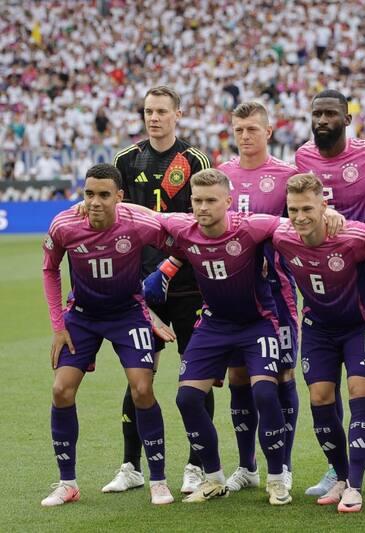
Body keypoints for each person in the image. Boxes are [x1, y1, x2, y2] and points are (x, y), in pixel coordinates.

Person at [130, 169, 327, 505]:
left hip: (257, 323)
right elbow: (144, 215)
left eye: (211, 200)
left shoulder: (251, 226)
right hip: (214, 324)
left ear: (228, 202)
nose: (203, 207)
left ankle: (277, 478)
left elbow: (296, 223)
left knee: (265, 392)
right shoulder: (183, 226)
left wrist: (330, 215)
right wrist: (93, 207)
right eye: (197, 200)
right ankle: (214, 477)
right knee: (187, 399)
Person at [40, 164, 173, 507]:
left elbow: (179, 242)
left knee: (142, 388)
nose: (95, 202)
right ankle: (67, 483)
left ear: (119, 197)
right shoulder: (64, 225)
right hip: (82, 317)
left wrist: (157, 291)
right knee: (61, 390)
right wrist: (58, 327)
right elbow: (50, 269)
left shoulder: (138, 222)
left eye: (103, 195)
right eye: (89, 194)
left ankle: (158, 480)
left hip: (128, 314)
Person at [295, 90, 365, 498]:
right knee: (325, 385)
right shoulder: (303, 157)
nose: (322, 120)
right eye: (317, 113)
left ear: (347, 118)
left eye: (330, 113)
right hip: (323, 287)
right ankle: (337, 469)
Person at [109, 85, 213, 495]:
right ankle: (130, 465)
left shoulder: (194, 161)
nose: (154, 118)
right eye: (148, 111)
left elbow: (200, 223)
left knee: (195, 376)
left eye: (161, 111)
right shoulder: (125, 160)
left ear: (177, 114)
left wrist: (171, 266)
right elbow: (115, 221)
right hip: (141, 291)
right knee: (139, 376)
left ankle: (197, 465)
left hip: (187, 286)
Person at [272, 172, 365, 513]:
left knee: (360, 390)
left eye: (307, 209)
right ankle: (340, 477)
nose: (299, 217)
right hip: (318, 328)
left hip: (361, 325)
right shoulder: (282, 235)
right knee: (320, 397)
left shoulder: (352, 236)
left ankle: (356, 484)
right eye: (293, 209)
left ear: (323, 205)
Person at [216, 101, 300, 493]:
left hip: (276, 293)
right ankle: (247, 465)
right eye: (239, 129)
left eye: (252, 129)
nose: (245, 136)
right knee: (238, 375)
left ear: (268, 131)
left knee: (281, 375)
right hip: (232, 296)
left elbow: (302, 225)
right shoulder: (222, 175)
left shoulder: (287, 176)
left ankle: (283, 467)